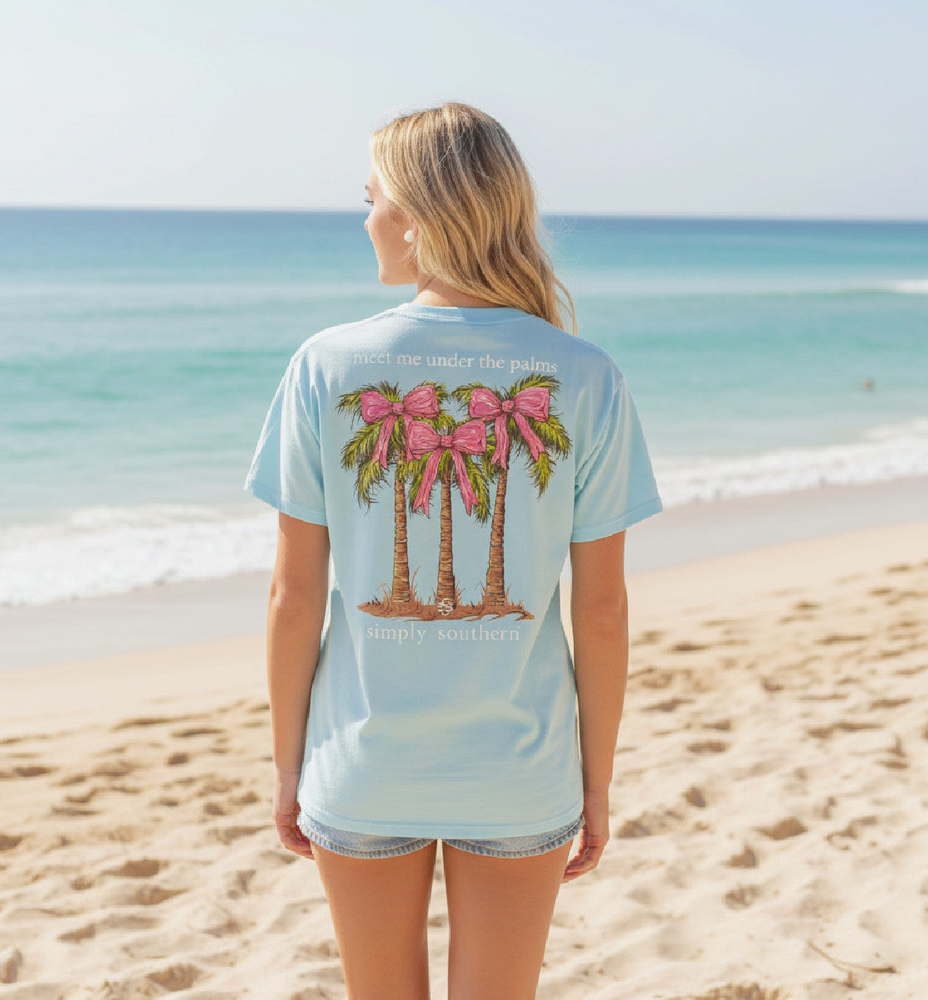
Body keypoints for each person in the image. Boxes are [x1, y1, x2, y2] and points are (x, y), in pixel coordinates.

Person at [245, 102, 661, 1000]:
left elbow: (292, 598)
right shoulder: (584, 375)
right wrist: (595, 783)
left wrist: (289, 766)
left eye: (372, 200)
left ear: (421, 218)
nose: (365, 222)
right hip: (521, 771)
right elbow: (603, 609)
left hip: (362, 766)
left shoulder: (327, 364)